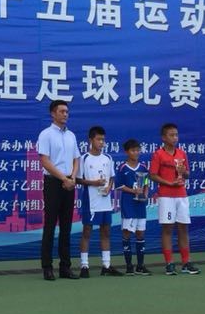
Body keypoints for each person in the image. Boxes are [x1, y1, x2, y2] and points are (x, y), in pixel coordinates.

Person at [149, 123, 200, 276]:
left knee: (183, 228)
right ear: (163, 138)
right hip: (166, 196)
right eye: (171, 135)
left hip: (181, 195)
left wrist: (183, 171)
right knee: (168, 229)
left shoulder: (182, 154)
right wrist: (169, 183)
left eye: (176, 135)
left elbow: (187, 174)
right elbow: (152, 175)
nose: (175, 138)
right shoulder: (158, 154)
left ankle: (186, 262)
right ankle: (169, 263)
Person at [37, 100, 80, 281]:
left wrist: (73, 177)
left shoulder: (71, 135)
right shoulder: (46, 134)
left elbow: (76, 158)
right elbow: (45, 161)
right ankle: (47, 267)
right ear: (53, 114)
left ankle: (65, 267)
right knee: (50, 225)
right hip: (54, 183)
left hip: (69, 183)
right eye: (62, 111)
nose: (65, 114)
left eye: (67, 112)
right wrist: (63, 178)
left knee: (66, 226)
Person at [77, 126, 122, 278]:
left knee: (106, 231)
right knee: (87, 231)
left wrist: (109, 187)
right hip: (91, 201)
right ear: (91, 140)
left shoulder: (108, 158)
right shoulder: (84, 158)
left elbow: (112, 177)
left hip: (105, 201)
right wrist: (93, 183)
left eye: (103, 139)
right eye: (98, 139)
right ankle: (84, 266)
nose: (101, 142)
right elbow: (78, 179)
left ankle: (106, 265)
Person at [115, 138, 151, 276]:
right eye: (133, 150)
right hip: (128, 205)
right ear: (127, 152)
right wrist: (133, 191)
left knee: (140, 233)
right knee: (127, 233)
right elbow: (119, 186)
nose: (136, 153)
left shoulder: (143, 167)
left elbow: (146, 182)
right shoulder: (122, 168)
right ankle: (129, 266)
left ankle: (140, 266)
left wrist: (145, 194)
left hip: (140, 205)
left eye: (137, 150)